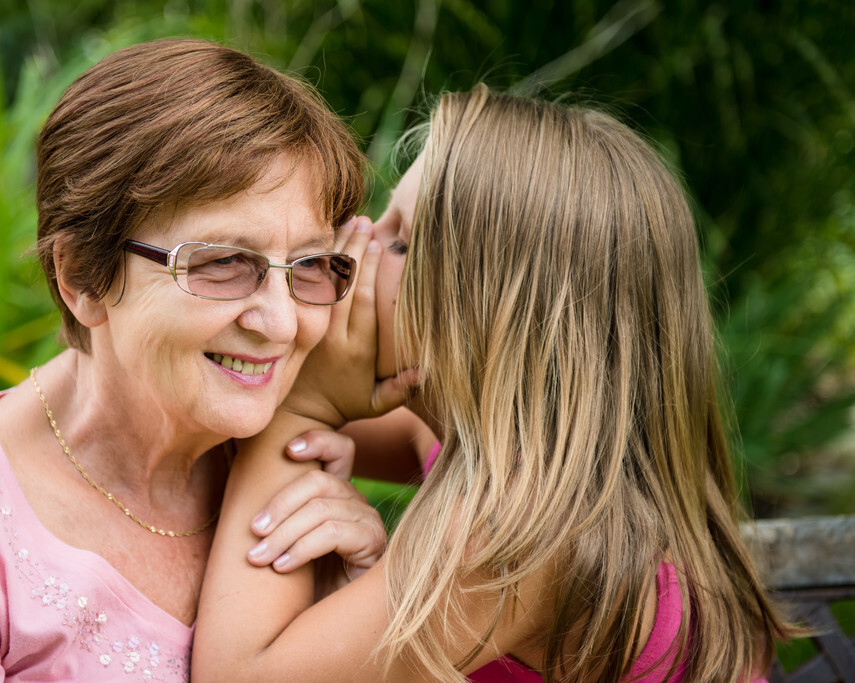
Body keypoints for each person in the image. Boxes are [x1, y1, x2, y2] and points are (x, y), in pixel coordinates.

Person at [193, 85, 798, 681]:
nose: (355, 244)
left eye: (400, 240)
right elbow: (230, 419)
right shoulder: (513, 454)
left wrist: (306, 405)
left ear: (495, 319)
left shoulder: (526, 532)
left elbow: (240, 676)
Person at [0, 38, 390, 681]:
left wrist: (358, 602)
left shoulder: (288, 473)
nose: (283, 322)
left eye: (311, 266)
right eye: (222, 263)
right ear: (83, 279)